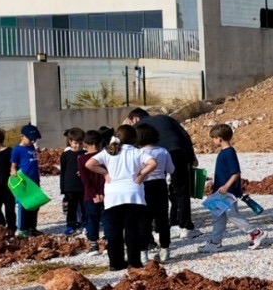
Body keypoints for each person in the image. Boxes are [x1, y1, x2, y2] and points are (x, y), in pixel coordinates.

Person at [85, 125, 156, 270]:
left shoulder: (109, 152)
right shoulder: (137, 152)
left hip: (113, 195)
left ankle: (115, 263)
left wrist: (104, 173)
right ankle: (134, 261)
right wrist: (141, 175)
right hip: (133, 194)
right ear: (134, 138)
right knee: (132, 230)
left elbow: (89, 163)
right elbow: (153, 163)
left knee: (114, 231)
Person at [127, 108, 198, 239]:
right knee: (181, 190)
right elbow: (184, 135)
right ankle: (186, 226)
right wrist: (191, 156)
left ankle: (170, 224)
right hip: (177, 151)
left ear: (135, 119)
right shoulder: (166, 118)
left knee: (159, 191)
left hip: (152, 158)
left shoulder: (137, 127)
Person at [201, 123, 265, 249]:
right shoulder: (223, 152)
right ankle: (215, 242)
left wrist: (226, 186)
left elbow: (235, 172)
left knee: (232, 215)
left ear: (219, 138)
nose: (213, 141)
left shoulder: (229, 153)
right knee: (217, 216)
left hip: (227, 191)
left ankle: (255, 233)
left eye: (213, 138)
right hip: (220, 191)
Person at [136, 122, 176, 262]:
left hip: (143, 186)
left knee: (143, 220)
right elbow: (171, 169)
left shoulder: (138, 153)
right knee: (162, 219)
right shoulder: (163, 151)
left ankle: (143, 253)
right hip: (160, 186)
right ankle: (165, 250)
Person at [11, 125, 43, 237]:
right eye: (30, 139)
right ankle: (22, 229)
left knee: (35, 204)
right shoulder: (17, 149)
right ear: (22, 136)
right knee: (24, 206)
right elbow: (13, 164)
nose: (32, 141)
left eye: (34, 139)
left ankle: (32, 227)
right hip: (24, 182)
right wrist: (13, 170)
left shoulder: (32, 147)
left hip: (34, 181)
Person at [78, 130, 105, 254]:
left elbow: (85, 179)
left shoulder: (82, 159)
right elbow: (104, 177)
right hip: (105, 194)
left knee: (92, 219)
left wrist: (94, 194)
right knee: (107, 219)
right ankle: (109, 242)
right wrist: (101, 192)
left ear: (84, 143)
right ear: (100, 143)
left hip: (89, 195)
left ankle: (93, 245)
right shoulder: (104, 156)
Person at [59, 128, 86, 234]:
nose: (78, 146)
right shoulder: (65, 155)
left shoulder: (85, 154)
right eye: (75, 143)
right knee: (71, 208)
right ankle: (71, 225)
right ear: (70, 142)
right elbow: (63, 172)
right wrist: (63, 188)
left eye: (80, 143)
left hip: (83, 186)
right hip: (70, 187)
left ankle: (86, 224)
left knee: (85, 207)